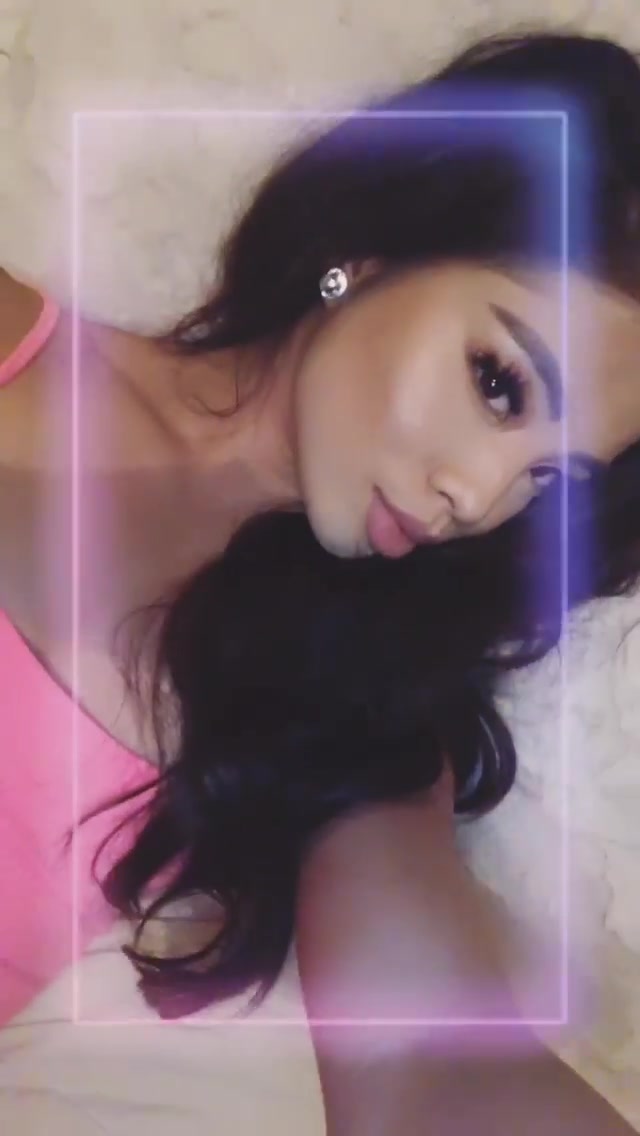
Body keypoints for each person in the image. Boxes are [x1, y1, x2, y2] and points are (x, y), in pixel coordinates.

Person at [1, 26, 639, 1134]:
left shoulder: (358, 703)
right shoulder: (22, 350)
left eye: (549, 478)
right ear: (374, 249)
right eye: (497, 383)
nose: (478, 496)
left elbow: (429, 1068)